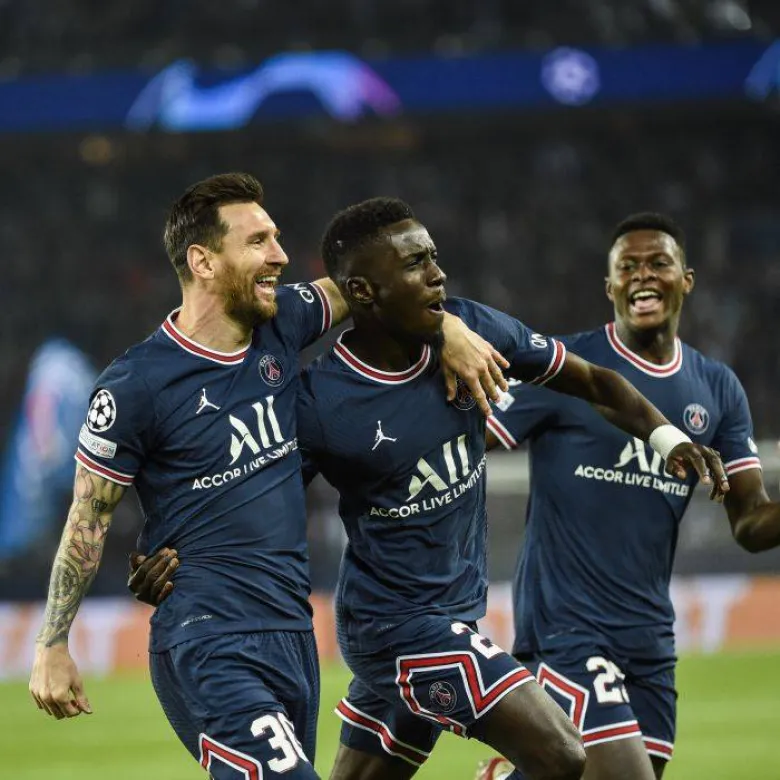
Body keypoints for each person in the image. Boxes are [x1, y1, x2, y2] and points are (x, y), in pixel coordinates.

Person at [131, 198, 728, 780]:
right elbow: (250, 499)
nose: (438, 274)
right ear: (363, 291)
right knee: (562, 753)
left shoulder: (476, 330)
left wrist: (670, 440)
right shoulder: (322, 403)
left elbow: (593, 380)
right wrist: (173, 561)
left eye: (433, 257)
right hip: (395, 628)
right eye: (415, 264)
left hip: (451, 613)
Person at [27, 174, 513, 780]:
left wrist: (447, 328)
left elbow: (383, 282)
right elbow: (88, 517)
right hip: (208, 638)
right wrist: (52, 643)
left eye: (276, 238)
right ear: (203, 261)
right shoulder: (134, 386)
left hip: (290, 633)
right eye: (258, 241)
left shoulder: (283, 321)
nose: (280, 256)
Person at [477, 213, 780, 780]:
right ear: (610, 285)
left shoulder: (717, 388)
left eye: (658, 263)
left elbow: (752, 523)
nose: (643, 275)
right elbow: (468, 441)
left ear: (685, 279)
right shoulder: (568, 370)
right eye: (628, 267)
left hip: (649, 640)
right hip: (567, 628)